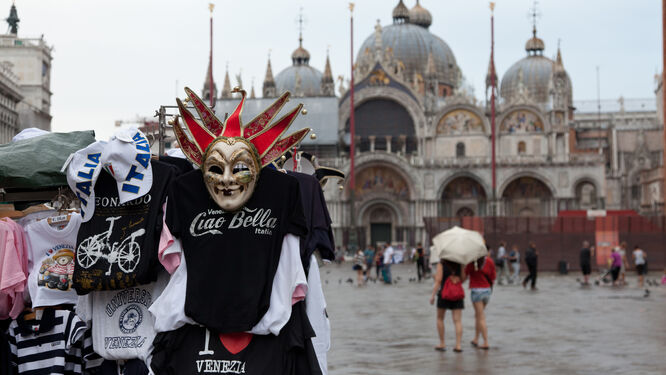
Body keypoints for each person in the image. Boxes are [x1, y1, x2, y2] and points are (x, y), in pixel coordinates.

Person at [429, 260, 466, 352]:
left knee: (440, 318)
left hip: (444, 294)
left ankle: (442, 343)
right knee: (457, 321)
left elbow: (438, 280)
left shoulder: (441, 264)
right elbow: (463, 279)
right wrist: (455, 277)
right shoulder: (460, 263)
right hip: (457, 294)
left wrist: (433, 295)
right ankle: (458, 345)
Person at [465, 252, 496, 350]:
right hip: (487, 291)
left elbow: (465, 275)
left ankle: (486, 341)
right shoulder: (490, 261)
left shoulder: (472, 263)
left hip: (476, 291)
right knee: (478, 315)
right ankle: (476, 338)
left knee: (480, 316)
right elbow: (493, 276)